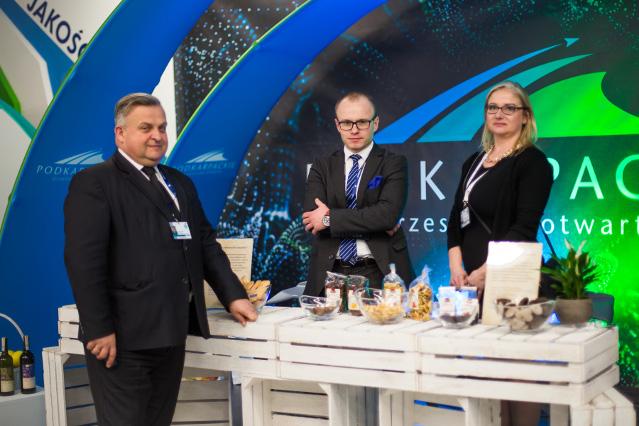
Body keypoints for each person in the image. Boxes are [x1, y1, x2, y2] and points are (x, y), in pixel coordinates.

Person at [64, 93, 257, 426]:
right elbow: (84, 263)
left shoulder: (178, 182)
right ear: (120, 134)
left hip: (170, 334)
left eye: (162, 127)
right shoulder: (94, 183)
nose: (157, 136)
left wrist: (233, 294)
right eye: (146, 128)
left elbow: (204, 244)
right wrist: (99, 329)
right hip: (122, 340)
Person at [447, 81, 553, 426]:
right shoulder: (473, 162)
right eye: (493, 107)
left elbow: (524, 228)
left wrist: (485, 272)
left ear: (525, 116)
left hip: (512, 282)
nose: (500, 114)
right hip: (472, 284)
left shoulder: (533, 163)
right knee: (488, 374)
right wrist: (457, 266)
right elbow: (455, 218)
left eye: (510, 108)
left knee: (517, 373)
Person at [302, 92, 414, 295]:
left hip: (378, 271)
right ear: (338, 125)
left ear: (375, 123)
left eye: (362, 122)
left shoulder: (393, 163)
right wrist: (372, 223)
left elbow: (387, 216)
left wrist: (329, 219)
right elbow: (313, 220)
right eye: (347, 123)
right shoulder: (321, 166)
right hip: (330, 272)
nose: (354, 130)